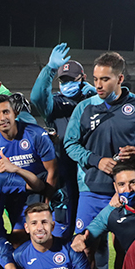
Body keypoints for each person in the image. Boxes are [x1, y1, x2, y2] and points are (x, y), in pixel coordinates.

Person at [63, 51, 135, 269]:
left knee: (128, 247)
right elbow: (70, 144)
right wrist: (96, 160)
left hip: (128, 192)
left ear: (120, 79)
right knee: (86, 244)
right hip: (91, 189)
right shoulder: (84, 107)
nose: (98, 84)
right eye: (95, 79)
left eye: (105, 79)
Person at [30, 44, 97, 238]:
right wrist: (49, 70)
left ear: (83, 80)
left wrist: (96, 93)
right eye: (63, 80)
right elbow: (37, 97)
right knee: (64, 226)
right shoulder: (56, 104)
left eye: (71, 80)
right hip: (64, 171)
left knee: (91, 233)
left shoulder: (94, 103)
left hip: (89, 171)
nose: (66, 84)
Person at [0, 94, 58, 239]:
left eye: (6, 112)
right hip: (16, 195)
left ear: (15, 113)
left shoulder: (35, 134)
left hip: (42, 190)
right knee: (19, 240)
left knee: (45, 238)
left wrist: (47, 203)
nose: (3, 118)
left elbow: (52, 171)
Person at [71, 163, 135, 269]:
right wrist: (78, 238)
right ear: (115, 187)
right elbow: (89, 232)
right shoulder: (111, 213)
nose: (128, 189)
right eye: (122, 184)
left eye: (133, 182)